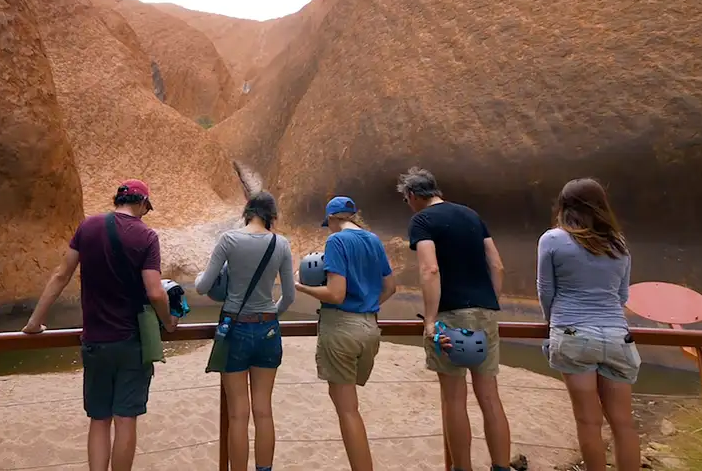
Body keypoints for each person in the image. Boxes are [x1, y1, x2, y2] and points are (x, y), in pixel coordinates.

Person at [21, 179, 178, 471]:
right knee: (126, 418)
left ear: (117, 199)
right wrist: (169, 322)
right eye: (146, 208)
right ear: (142, 203)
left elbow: (60, 275)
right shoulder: (146, 236)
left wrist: (34, 322)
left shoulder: (87, 227)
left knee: (99, 419)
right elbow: (155, 292)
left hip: (95, 341)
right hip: (132, 342)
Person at [397, 167, 512, 471]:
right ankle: (501, 466)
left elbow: (429, 270)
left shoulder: (422, 221)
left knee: (454, 399)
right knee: (490, 397)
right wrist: (490, 303)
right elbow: (497, 265)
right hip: (484, 312)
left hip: (450, 315)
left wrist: (430, 319)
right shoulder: (472, 216)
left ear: (411, 195)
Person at [537, 178, 640, 471]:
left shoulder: (552, 240)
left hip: (572, 332)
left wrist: (551, 322)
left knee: (588, 421)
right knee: (624, 424)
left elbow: (546, 290)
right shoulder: (618, 244)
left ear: (564, 206)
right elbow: (622, 295)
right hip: (617, 337)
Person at [195, 191, 296, 471]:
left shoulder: (229, 239)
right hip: (267, 330)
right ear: (271, 216)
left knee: (239, 413)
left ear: (247, 211)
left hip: (235, 329)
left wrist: (197, 279)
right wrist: (269, 317)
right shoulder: (281, 243)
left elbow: (203, 286)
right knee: (263, 410)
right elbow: (288, 296)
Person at [295, 196, 396, 471]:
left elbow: (335, 293)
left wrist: (301, 288)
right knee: (351, 407)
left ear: (332, 219)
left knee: (348, 411)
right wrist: (366, 306)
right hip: (369, 327)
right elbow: (390, 287)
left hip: (341, 329)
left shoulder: (336, 241)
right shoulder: (373, 240)